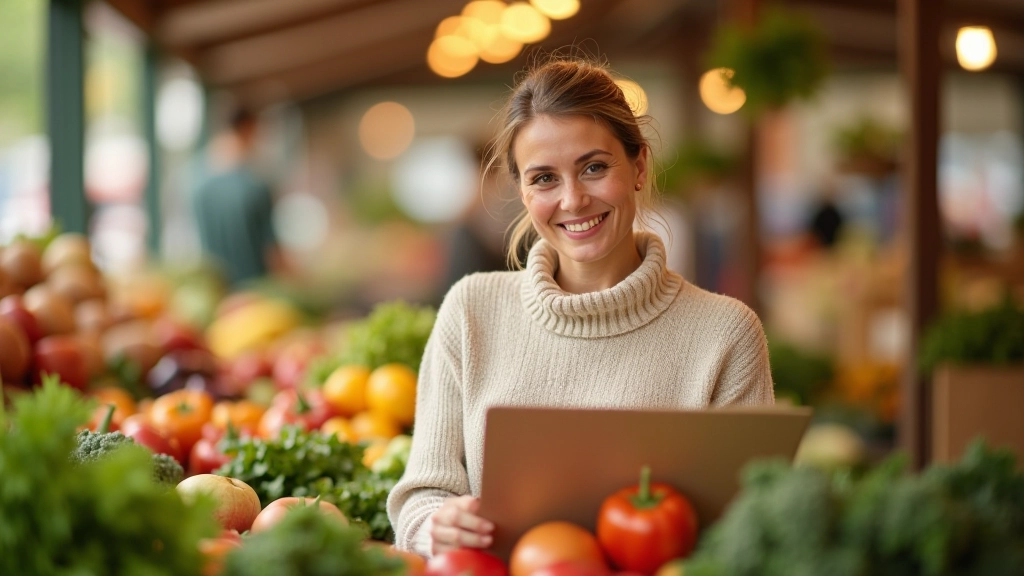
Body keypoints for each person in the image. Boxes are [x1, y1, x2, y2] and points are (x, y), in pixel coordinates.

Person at [386, 56, 775, 558]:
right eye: (544, 178)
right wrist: (439, 525)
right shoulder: (471, 311)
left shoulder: (726, 334)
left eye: (594, 167)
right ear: (522, 192)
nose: (572, 200)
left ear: (638, 167)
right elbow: (421, 498)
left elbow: (756, 527)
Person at [192, 107, 279, 287]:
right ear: (248, 129)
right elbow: (271, 253)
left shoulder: (196, 183)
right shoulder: (255, 186)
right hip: (255, 290)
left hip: (217, 288)